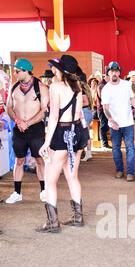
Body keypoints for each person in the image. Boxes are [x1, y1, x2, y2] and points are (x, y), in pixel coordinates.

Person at [37, 55, 87, 233]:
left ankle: (52, 222)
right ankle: (78, 217)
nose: (52, 70)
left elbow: (54, 117)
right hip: (77, 133)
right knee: (72, 176)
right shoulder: (79, 87)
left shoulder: (56, 87)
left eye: (54, 68)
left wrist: (46, 142)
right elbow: (79, 112)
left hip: (61, 134)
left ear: (61, 70)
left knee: (50, 180)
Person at [6, 58, 49, 204]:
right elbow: (9, 108)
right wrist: (18, 121)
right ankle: (17, 193)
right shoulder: (14, 87)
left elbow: (44, 111)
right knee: (19, 160)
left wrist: (28, 123)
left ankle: (44, 190)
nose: (15, 73)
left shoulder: (41, 87)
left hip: (36, 129)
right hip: (19, 129)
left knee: (39, 160)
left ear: (25, 71)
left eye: (17, 71)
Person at [101, 61, 135, 182]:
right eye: (111, 71)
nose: (114, 73)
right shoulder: (106, 89)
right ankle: (119, 170)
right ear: (108, 73)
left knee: (130, 148)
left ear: (119, 72)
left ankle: (130, 172)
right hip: (114, 125)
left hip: (128, 122)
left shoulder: (126, 84)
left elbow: (132, 99)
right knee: (116, 148)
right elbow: (105, 107)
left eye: (116, 71)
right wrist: (111, 120)